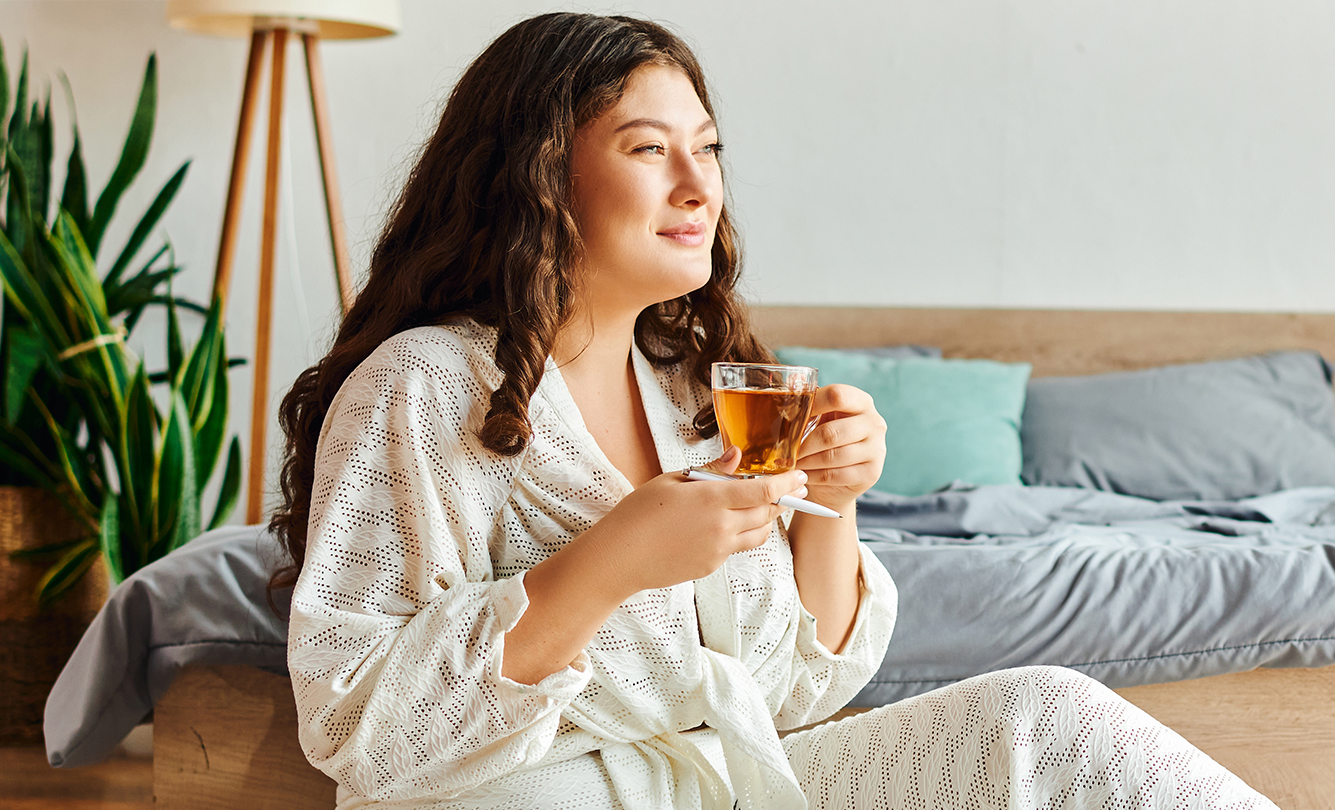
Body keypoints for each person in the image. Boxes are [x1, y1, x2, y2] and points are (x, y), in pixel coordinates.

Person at [271, 12, 1279, 810]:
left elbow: (798, 692)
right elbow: (361, 724)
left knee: (1041, 718)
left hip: (729, 788)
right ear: (541, 176)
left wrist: (834, 505)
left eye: (706, 150)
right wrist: (611, 561)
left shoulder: (697, 396)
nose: (695, 185)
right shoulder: (428, 384)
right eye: (647, 148)